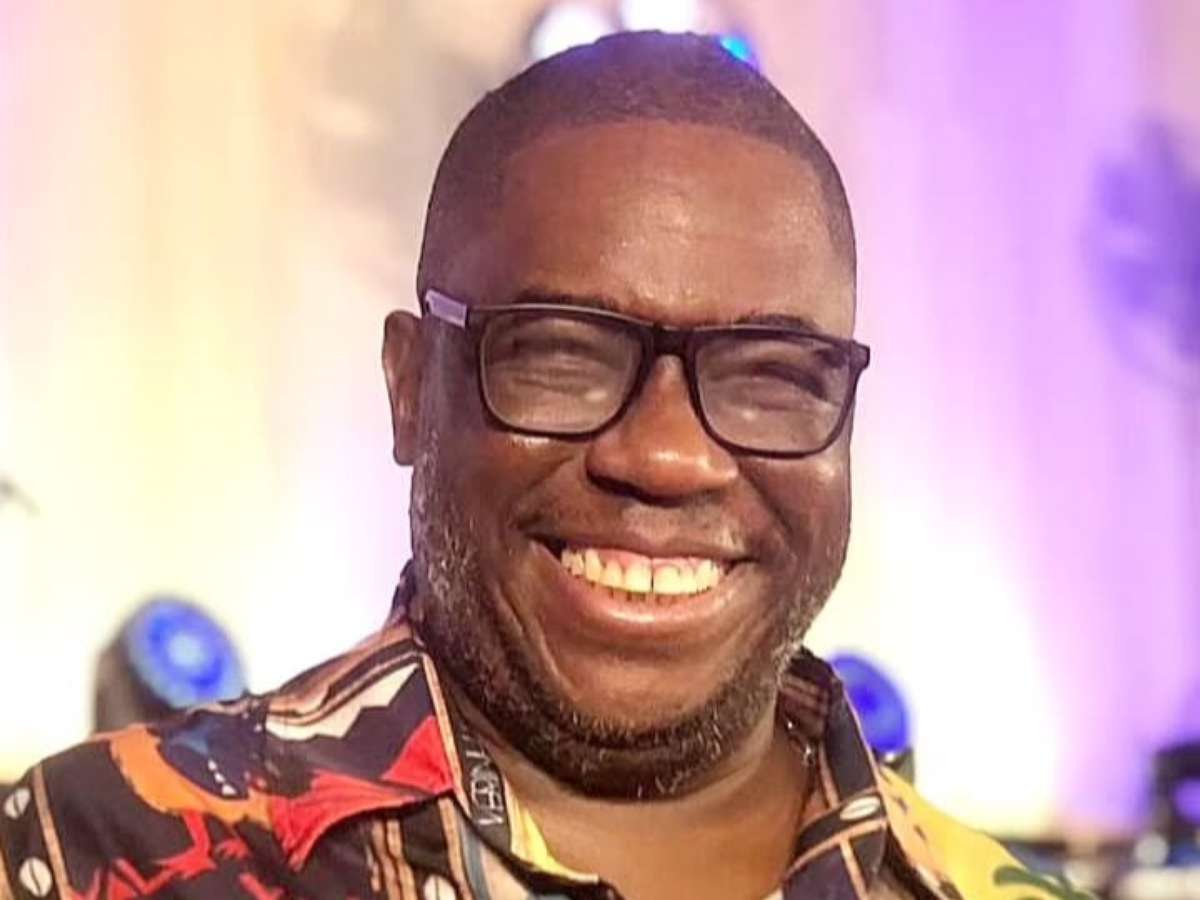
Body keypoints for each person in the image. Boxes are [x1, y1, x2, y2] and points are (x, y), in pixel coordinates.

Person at [0, 32, 1087, 900]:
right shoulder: (102, 853)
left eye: (767, 373)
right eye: (565, 354)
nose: (667, 455)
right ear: (410, 387)